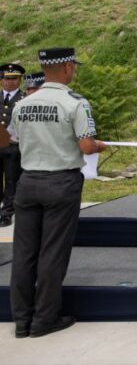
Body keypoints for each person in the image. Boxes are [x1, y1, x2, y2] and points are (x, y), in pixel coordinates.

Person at [5, 48, 105, 338]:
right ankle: (45, 319)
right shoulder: (75, 102)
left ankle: (22, 320)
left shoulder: (24, 103)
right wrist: (101, 146)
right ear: (66, 68)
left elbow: (13, 138)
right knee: (52, 252)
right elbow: (86, 147)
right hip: (61, 183)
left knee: (23, 253)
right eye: (73, 66)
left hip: (28, 181)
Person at [1, 63, 26, 228]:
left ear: (20, 80)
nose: (10, 82)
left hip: (13, 148)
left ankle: (6, 213)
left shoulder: (25, 99)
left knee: (11, 181)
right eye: (7, 78)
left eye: (14, 78)